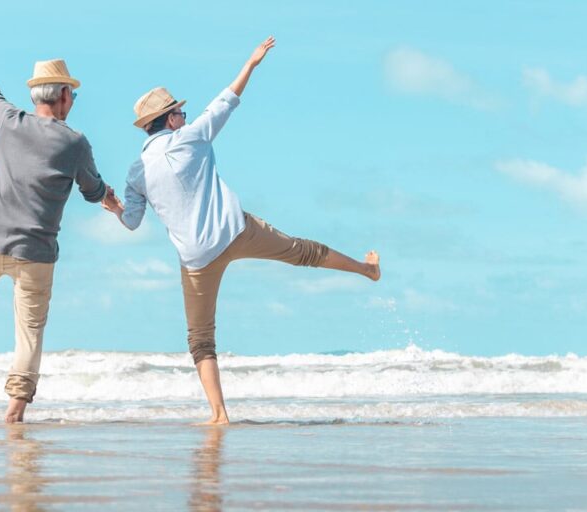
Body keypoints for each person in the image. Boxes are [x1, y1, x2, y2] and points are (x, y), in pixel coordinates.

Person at [103, 36, 381, 424]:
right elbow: (226, 100)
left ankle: (219, 414)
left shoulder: (137, 171)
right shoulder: (191, 137)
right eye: (179, 112)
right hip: (235, 230)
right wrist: (251, 63)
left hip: (196, 258)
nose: (183, 116)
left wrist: (114, 207)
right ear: (170, 120)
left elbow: (131, 222)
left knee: (200, 339)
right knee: (303, 252)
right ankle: (367, 270)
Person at [0, 33, 120, 423]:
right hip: (35, 256)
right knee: (30, 331)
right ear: (64, 96)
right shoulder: (75, 143)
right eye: (72, 94)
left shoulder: (8, 121)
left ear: (38, 97)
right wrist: (111, 201)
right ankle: (15, 407)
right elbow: (92, 189)